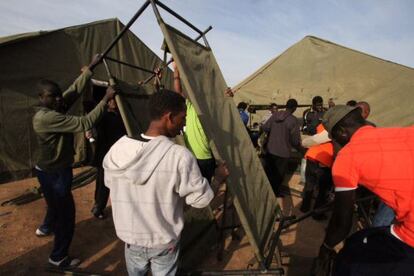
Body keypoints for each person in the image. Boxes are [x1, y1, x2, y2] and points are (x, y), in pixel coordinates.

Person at [103, 90, 229, 275]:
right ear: (169, 117)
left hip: (131, 240)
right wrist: (218, 178)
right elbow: (201, 201)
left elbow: (111, 185)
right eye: (183, 118)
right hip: (163, 243)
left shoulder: (118, 149)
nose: (185, 123)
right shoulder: (179, 156)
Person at [33, 55, 116, 268]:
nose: (60, 100)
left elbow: (73, 91)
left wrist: (91, 68)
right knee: (67, 214)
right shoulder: (46, 117)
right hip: (56, 172)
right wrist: (105, 100)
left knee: (54, 204)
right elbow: (86, 121)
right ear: (41, 97)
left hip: (48, 169)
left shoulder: (53, 108)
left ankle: (45, 227)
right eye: (53, 97)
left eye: (58, 96)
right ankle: (58, 256)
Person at [313, 105, 414, 276]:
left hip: (410, 237)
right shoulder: (405, 132)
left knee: (349, 259)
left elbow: (341, 223)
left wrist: (326, 248)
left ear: (341, 133)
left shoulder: (347, 157)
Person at [172, 62, 216, 182]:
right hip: (191, 155)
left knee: (204, 187)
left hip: (206, 158)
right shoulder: (191, 106)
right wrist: (176, 70)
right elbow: (178, 93)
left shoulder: (210, 109)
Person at [356, 101, 394, 227]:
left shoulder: (371, 128)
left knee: (364, 197)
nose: (356, 114)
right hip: (352, 170)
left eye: (359, 111)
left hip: (366, 171)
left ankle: (362, 217)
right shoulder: (350, 126)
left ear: (367, 113)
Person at [90, 97, 126, 219]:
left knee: (121, 183)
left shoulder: (124, 116)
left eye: (115, 100)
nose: (113, 102)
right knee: (103, 183)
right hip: (105, 154)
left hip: (120, 154)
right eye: (111, 100)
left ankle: (120, 208)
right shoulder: (103, 116)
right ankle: (98, 207)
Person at [262, 99, 304, 196]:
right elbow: (295, 141)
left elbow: (265, 127)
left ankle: (266, 192)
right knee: (279, 175)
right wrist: (301, 150)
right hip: (283, 153)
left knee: (269, 172)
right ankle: (274, 194)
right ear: (294, 108)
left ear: (286, 105)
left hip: (270, 149)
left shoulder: (275, 115)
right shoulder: (293, 120)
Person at [300, 123, 334, 220]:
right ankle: (317, 214)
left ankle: (304, 208)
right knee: (323, 191)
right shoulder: (334, 130)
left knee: (309, 184)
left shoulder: (322, 126)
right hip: (324, 161)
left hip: (312, 157)